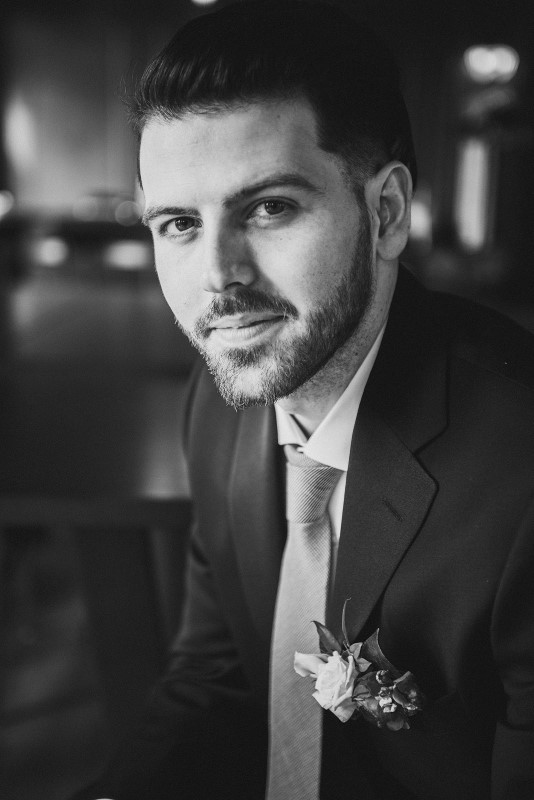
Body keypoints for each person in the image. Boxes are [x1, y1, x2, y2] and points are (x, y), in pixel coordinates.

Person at [79, 2, 534, 798]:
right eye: (180, 223)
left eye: (270, 208)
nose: (219, 277)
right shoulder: (222, 394)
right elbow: (214, 672)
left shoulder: (520, 473)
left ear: (385, 212)